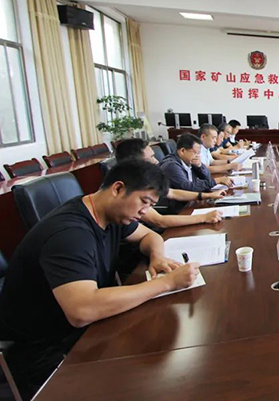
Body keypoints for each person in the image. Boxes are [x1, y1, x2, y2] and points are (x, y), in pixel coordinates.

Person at [0, 159, 200, 399]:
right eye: (144, 202)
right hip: (43, 347)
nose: (145, 212)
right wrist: (167, 283)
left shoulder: (108, 213)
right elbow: (82, 310)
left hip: (88, 330)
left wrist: (157, 257)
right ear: (118, 188)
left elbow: (150, 237)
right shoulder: (70, 234)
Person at [115, 139, 223, 228]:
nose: (156, 161)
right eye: (151, 157)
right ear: (135, 163)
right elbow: (159, 221)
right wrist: (204, 217)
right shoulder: (129, 187)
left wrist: (208, 195)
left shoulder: (144, 178)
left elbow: (173, 193)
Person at [159, 133, 231, 192]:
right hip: (179, 204)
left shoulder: (189, 160)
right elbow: (187, 187)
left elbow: (207, 177)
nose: (198, 156)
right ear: (183, 151)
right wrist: (216, 181)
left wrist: (199, 166)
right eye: (195, 153)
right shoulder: (171, 166)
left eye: (199, 153)